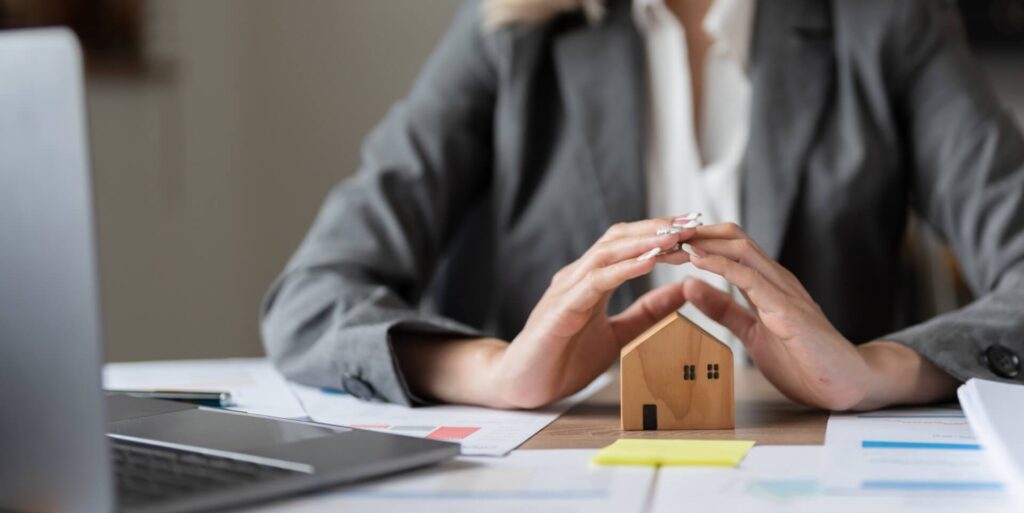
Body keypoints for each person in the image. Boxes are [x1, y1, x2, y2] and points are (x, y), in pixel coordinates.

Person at [261, 0, 1024, 413]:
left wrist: (875, 371)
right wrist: (490, 372)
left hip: (810, 471)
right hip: (559, 475)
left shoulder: (889, 21)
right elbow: (311, 296)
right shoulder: (511, 27)